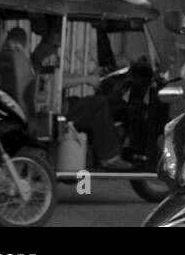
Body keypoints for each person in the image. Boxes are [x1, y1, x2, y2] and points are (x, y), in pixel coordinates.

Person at [22, 27, 132, 170]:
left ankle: (95, 153)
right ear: (50, 32)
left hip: (58, 103)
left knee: (88, 102)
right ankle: (109, 157)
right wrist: (85, 79)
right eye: (59, 31)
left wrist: (87, 77)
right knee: (99, 103)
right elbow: (55, 82)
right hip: (54, 110)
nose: (63, 34)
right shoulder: (48, 54)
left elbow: (60, 75)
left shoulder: (45, 49)